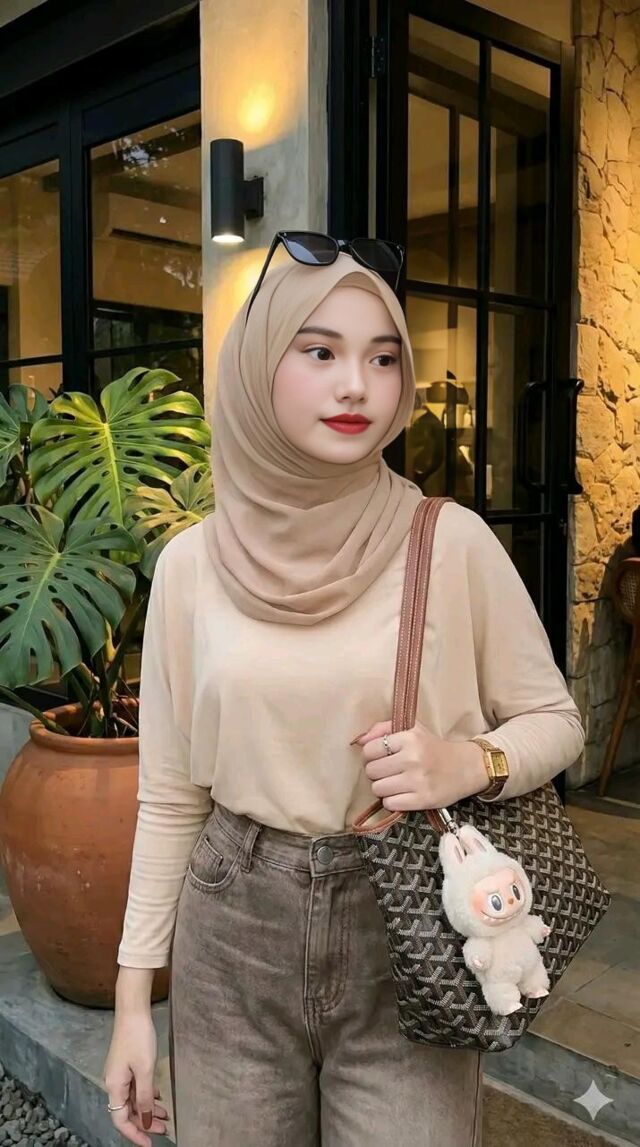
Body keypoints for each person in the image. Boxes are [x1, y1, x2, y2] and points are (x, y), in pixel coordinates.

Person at [103, 238, 585, 1147]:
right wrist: (134, 1001)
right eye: (320, 351)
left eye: (383, 357)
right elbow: (169, 795)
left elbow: (556, 722)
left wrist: (469, 761)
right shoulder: (190, 568)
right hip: (232, 925)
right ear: (258, 367)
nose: (356, 385)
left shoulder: (449, 541)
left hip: (407, 922)